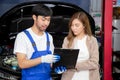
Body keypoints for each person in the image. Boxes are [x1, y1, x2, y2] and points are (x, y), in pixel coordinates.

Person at [13, 4, 60, 80]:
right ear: (34, 17)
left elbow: (50, 62)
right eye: (43, 19)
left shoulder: (49, 37)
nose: (46, 23)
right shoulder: (22, 37)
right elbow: (22, 64)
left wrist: (57, 68)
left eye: (48, 20)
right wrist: (42, 59)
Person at [60, 11, 100, 80]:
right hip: (70, 77)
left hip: (88, 77)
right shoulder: (67, 40)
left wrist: (74, 66)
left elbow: (94, 63)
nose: (73, 28)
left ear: (84, 25)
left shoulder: (92, 40)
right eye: (72, 25)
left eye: (77, 25)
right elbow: (64, 62)